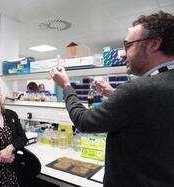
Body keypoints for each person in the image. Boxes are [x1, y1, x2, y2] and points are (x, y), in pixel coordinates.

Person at [50, 11, 174, 187]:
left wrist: (66, 86)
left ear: (154, 44)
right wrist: (114, 93)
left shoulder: (137, 90)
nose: (122, 55)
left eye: (127, 45)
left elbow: (84, 121)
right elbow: (148, 111)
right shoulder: (152, 89)